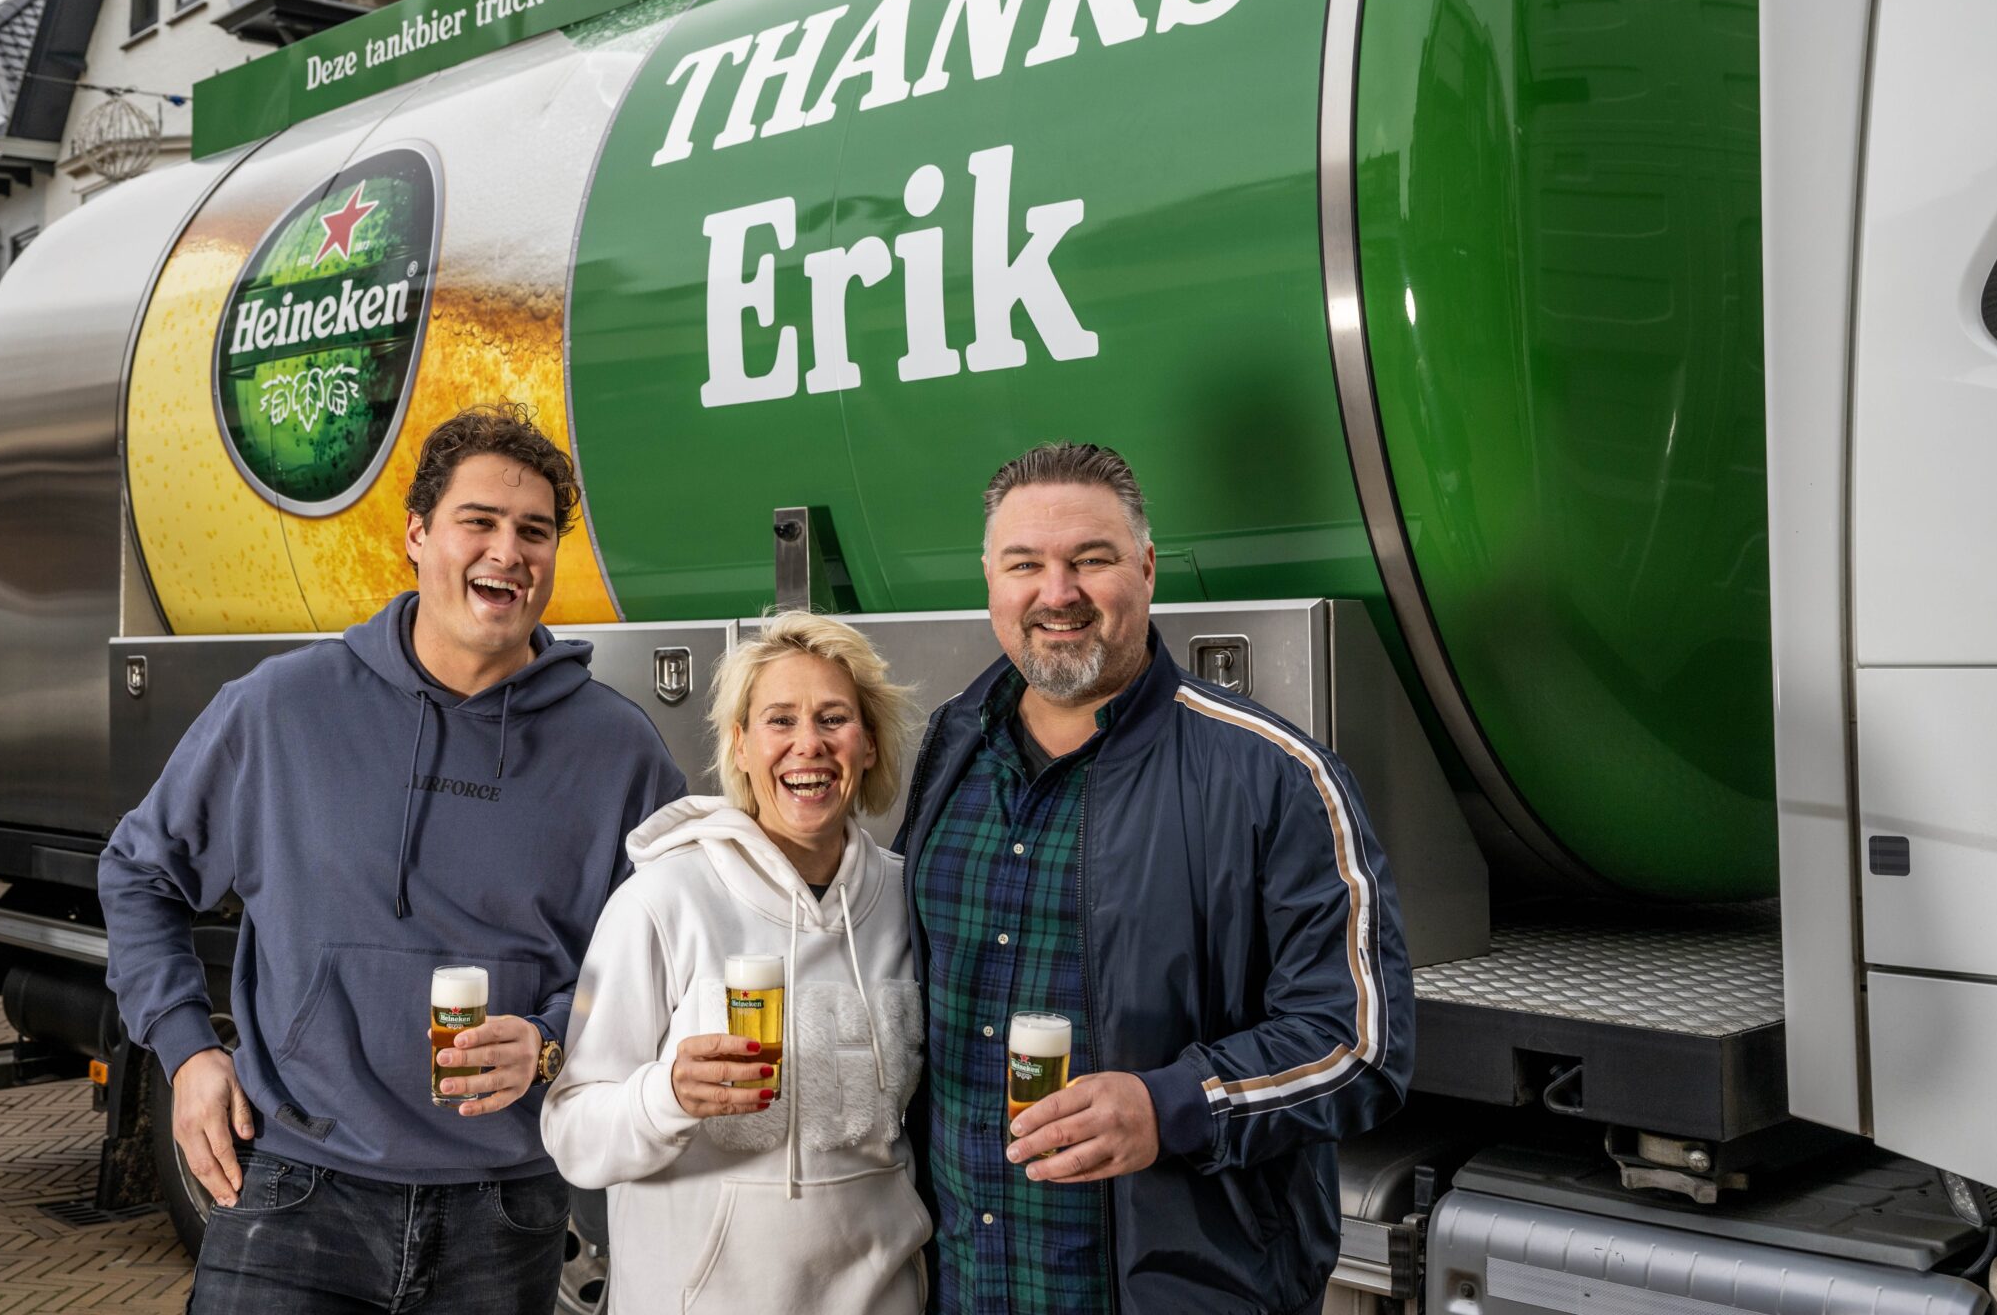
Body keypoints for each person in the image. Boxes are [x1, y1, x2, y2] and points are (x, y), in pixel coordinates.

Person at [101, 404, 688, 1315]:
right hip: (294, 1190)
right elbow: (141, 870)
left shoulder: (619, 752)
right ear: (417, 535)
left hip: (506, 1206)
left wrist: (551, 1039)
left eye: (534, 532)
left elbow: (666, 963)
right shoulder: (281, 710)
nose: (508, 552)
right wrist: (186, 1053)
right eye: (478, 522)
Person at [897, 442, 1416, 1314]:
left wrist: (1172, 1104)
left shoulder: (1275, 775)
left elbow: (1359, 1043)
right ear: (990, 579)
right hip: (966, 1286)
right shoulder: (953, 745)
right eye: (1026, 564)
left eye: (1089, 560)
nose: (1056, 592)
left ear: (1144, 568)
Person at [543, 610, 931, 1314]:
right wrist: (668, 1095)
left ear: (869, 745)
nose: (807, 745)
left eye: (833, 718)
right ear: (741, 747)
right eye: (779, 720)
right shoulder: (662, 900)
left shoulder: (911, 901)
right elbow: (573, 1134)